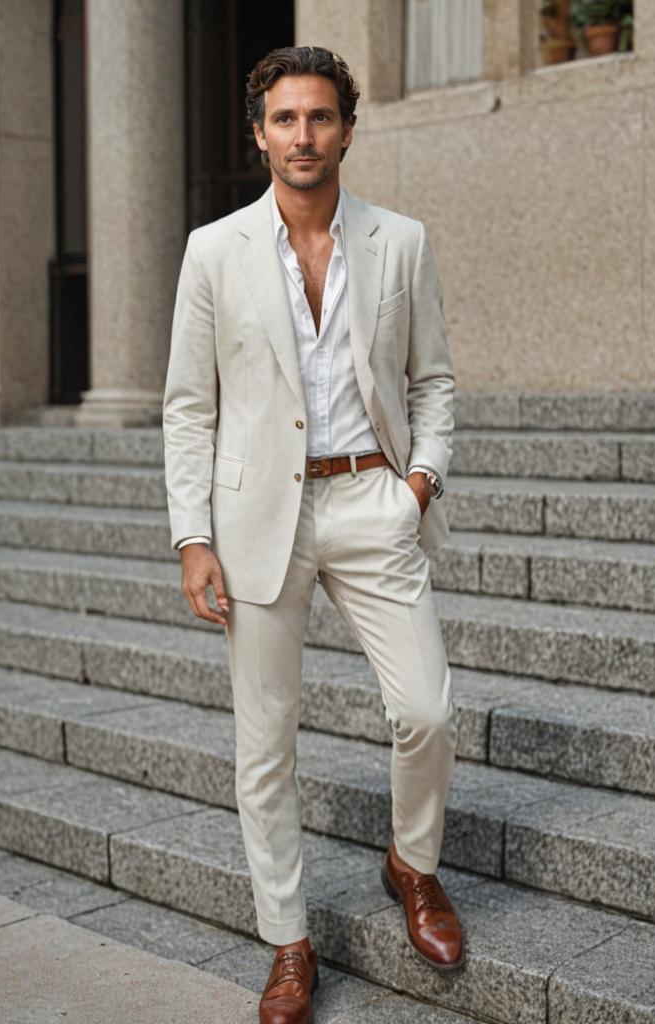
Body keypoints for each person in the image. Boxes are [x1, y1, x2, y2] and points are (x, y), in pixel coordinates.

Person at [162, 44, 464, 1024]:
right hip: (259, 518)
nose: (304, 136)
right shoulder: (214, 252)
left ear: (347, 127)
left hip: (372, 500)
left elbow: (433, 382)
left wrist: (419, 480)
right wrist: (191, 535)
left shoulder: (402, 242)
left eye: (321, 117)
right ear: (259, 135)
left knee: (425, 708)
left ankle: (413, 864)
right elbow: (186, 406)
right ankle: (289, 941)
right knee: (266, 744)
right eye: (285, 120)